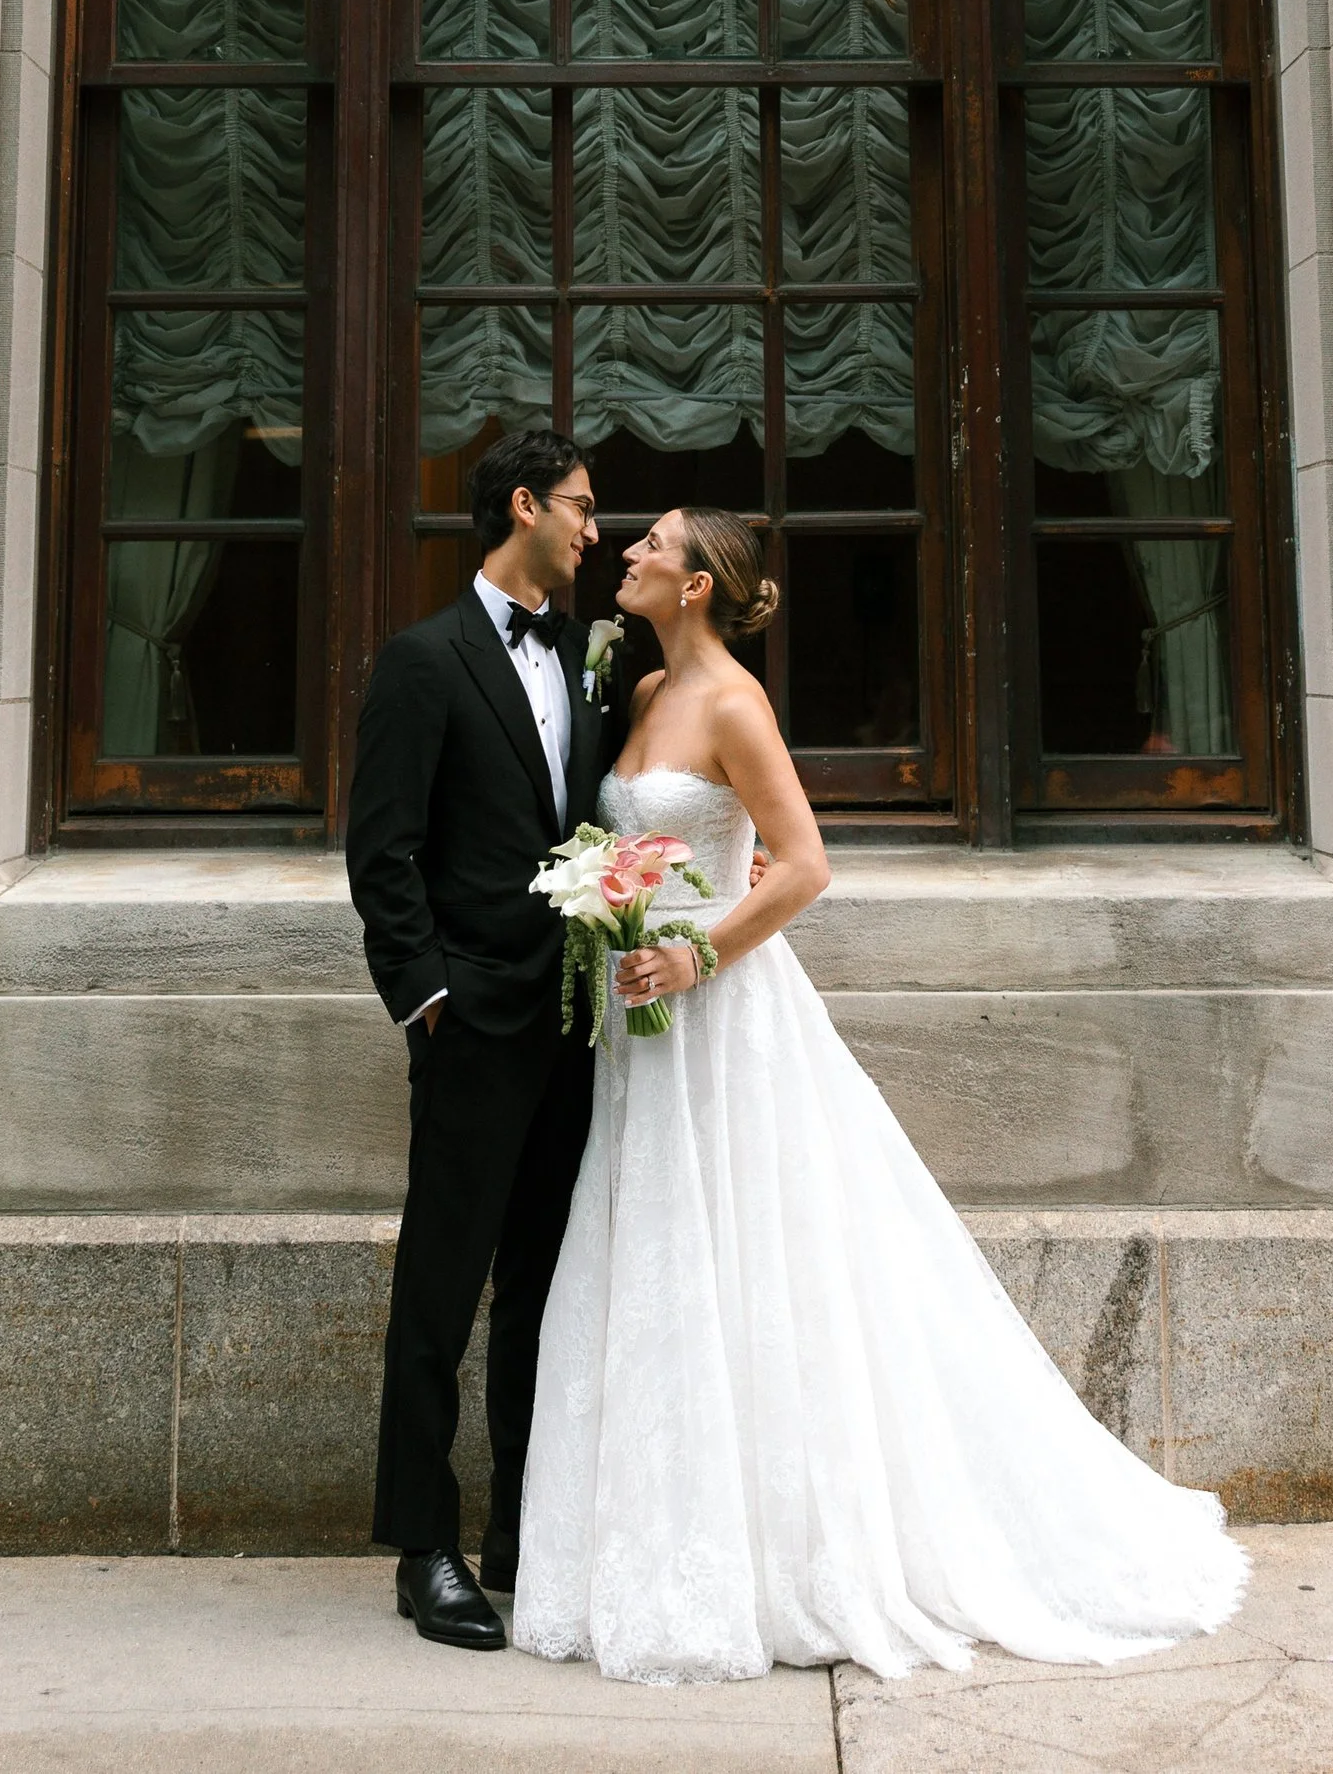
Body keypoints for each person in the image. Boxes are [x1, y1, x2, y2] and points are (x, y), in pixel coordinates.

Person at [512, 508, 1252, 1687]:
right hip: (640, 1028)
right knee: (661, 1256)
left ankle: (794, 1556)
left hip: (719, 1017)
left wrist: (699, 950)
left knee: (757, 1257)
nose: (630, 555)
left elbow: (805, 863)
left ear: (697, 585)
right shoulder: (642, 688)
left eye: (651, 545)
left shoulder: (735, 706)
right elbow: (668, 840)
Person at [344, 428, 616, 1652]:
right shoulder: (422, 661)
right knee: (439, 1291)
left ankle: (517, 1527)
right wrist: (426, 996)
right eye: (580, 507)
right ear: (522, 507)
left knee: (542, 1289)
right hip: (472, 1025)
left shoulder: (574, 650)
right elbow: (382, 850)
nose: (592, 531)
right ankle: (423, 1546)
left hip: (570, 1021)